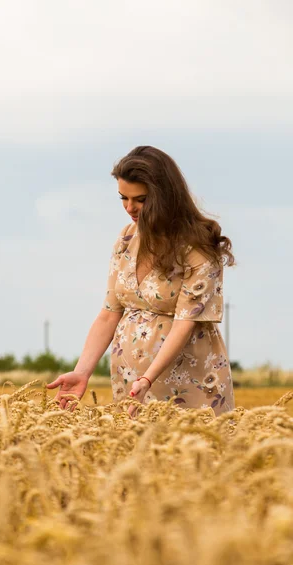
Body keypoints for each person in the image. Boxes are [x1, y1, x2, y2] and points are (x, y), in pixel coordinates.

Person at [47, 146, 235, 417]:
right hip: (130, 379)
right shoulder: (126, 239)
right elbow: (109, 314)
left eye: (141, 199)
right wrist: (82, 371)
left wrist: (148, 378)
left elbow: (185, 323)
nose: (129, 208)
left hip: (186, 379)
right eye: (123, 197)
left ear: (166, 196)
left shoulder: (198, 248)